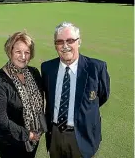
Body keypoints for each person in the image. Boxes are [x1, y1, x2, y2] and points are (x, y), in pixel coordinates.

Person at [41, 22, 110, 158]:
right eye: (60, 41)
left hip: (82, 137)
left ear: (79, 42)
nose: (65, 46)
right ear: (55, 45)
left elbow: (102, 96)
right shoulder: (47, 68)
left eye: (70, 40)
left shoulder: (96, 68)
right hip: (55, 136)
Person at [0, 32, 47, 158]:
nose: (23, 56)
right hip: (11, 143)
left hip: (33, 140)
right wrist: (28, 134)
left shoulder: (34, 73)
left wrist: (39, 129)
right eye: (18, 52)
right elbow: (1, 121)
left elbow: (40, 104)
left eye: (27, 52)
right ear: (10, 51)